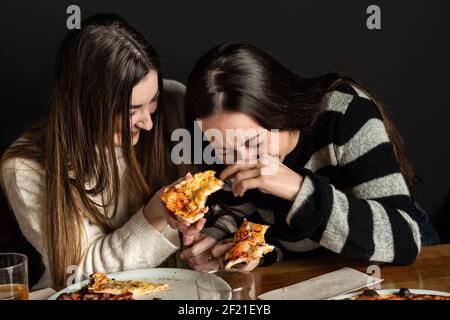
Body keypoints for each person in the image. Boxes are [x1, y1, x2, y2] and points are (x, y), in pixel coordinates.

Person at [179, 43, 439, 272]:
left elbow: (405, 239)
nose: (244, 161)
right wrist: (225, 242)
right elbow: (256, 224)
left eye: (255, 142)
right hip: (313, 272)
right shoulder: (216, 142)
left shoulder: (344, 112)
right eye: (225, 151)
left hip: (395, 265)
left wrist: (298, 190)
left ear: (279, 109)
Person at [0, 14, 202, 289]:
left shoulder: (173, 103)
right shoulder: (25, 166)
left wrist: (213, 239)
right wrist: (154, 215)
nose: (148, 122)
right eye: (130, 111)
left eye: (152, 100)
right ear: (84, 106)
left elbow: (226, 196)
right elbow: (79, 274)